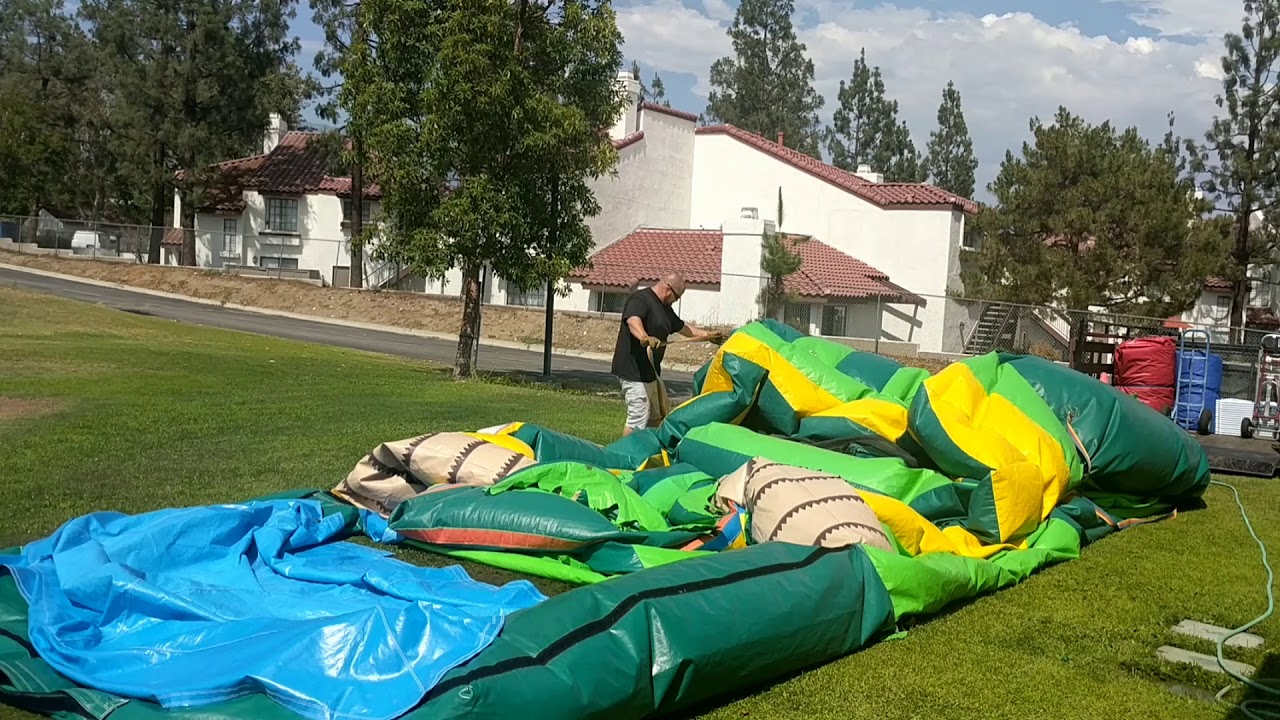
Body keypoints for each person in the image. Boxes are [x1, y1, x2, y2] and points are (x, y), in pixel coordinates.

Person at [611, 272, 718, 435]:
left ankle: (650, 452)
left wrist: (709, 336)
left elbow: (686, 329)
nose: (676, 300)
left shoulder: (665, 309)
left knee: (656, 416)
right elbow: (633, 321)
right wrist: (644, 337)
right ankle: (624, 456)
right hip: (633, 371)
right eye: (677, 296)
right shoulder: (640, 299)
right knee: (638, 419)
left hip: (651, 373)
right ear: (668, 289)